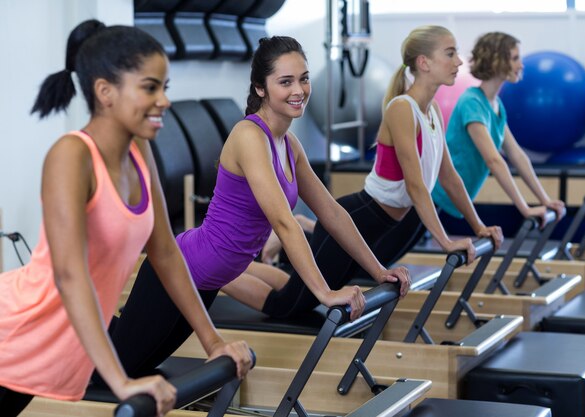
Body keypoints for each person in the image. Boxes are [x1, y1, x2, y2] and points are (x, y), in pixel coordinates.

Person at [105, 35, 410, 383]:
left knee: (139, 365)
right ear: (260, 89)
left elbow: (333, 213)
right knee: (119, 370)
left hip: (204, 284)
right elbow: (283, 221)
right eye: (286, 81)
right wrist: (324, 292)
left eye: (304, 78)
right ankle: (62, 325)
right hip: (178, 272)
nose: (300, 89)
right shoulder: (249, 136)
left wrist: (378, 270)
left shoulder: (288, 143)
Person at [0, 20, 251, 417]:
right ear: (105, 92)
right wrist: (121, 380)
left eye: (164, 88)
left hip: (47, 356)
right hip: (13, 338)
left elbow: (167, 253)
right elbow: (70, 274)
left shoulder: (139, 154)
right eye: (150, 87)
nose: (164, 100)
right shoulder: (71, 156)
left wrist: (214, 343)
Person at [221, 25, 503, 319]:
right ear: (424, 62)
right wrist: (445, 241)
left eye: (303, 79)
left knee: (298, 290)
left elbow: (448, 177)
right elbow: (416, 186)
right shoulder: (402, 109)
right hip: (364, 216)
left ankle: (233, 264)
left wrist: (478, 226)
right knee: (287, 306)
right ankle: (215, 271)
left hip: (377, 223)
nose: (459, 61)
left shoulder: (432, 113)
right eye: (450, 53)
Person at [431, 32, 565, 227]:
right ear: (496, 61)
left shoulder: (495, 105)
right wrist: (525, 209)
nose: (521, 65)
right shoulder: (472, 102)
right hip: (436, 196)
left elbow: (517, 156)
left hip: (453, 200)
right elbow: (494, 160)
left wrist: (545, 200)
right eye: (515, 58)